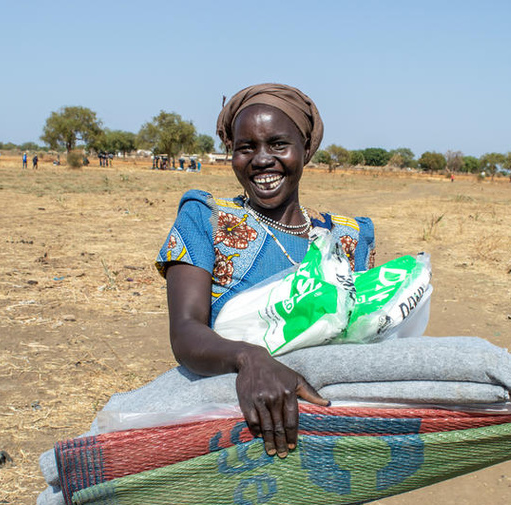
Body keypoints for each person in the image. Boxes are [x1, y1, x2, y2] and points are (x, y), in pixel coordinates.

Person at [156, 84, 375, 460]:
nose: (261, 160)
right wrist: (249, 359)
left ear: (306, 150)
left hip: (330, 444)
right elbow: (185, 331)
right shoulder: (205, 219)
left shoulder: (348, 238)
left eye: (277, 144)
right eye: (246, 147)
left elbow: (368, 338)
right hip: (233, 441)